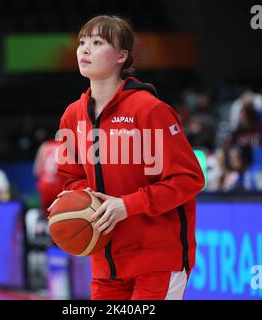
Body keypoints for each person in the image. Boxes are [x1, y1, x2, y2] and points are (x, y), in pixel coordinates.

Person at [48, 15, 205, 300]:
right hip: (104, 262)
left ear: (122, 56)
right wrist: (78, 199)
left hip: (156, 258)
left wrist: (127, 205)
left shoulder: (149, 109)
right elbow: (72, 177)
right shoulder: (72, 115)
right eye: (82, 42)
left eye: (97, 43)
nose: (84, 49)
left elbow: (190, 178)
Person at [33, 139, 67, 211]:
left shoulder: (44, 146)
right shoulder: (67, 146)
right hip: (59, 188)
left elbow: (36, 171)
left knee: (47, 217)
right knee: (60, 218)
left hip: (44, 187)